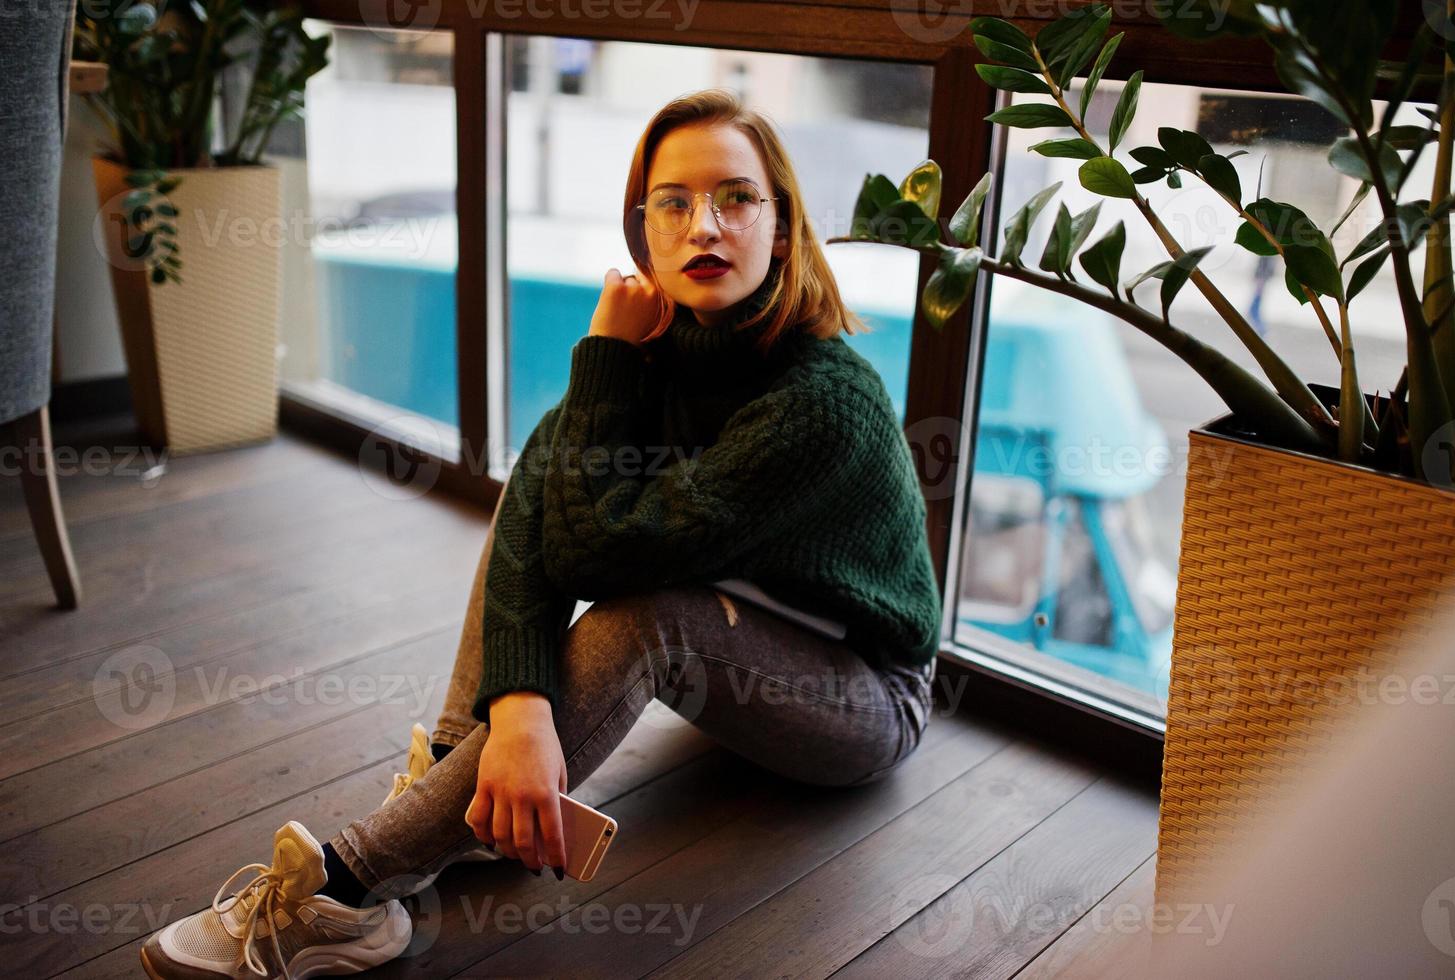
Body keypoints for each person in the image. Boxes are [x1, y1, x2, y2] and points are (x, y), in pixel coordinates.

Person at [139, 88, 943, 979]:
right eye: (673, 202)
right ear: (643, 228)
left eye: (736, 198)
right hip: (745, 640)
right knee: (547, 484)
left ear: (782, 227)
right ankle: (462, 772)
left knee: (647, 616)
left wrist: (602, 358)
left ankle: (349, 891)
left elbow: (598, 559)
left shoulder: (821, 402)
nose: (703, 226)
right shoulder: (660, 347)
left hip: (863, 699)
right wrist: (516, 711)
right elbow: (538, 508)